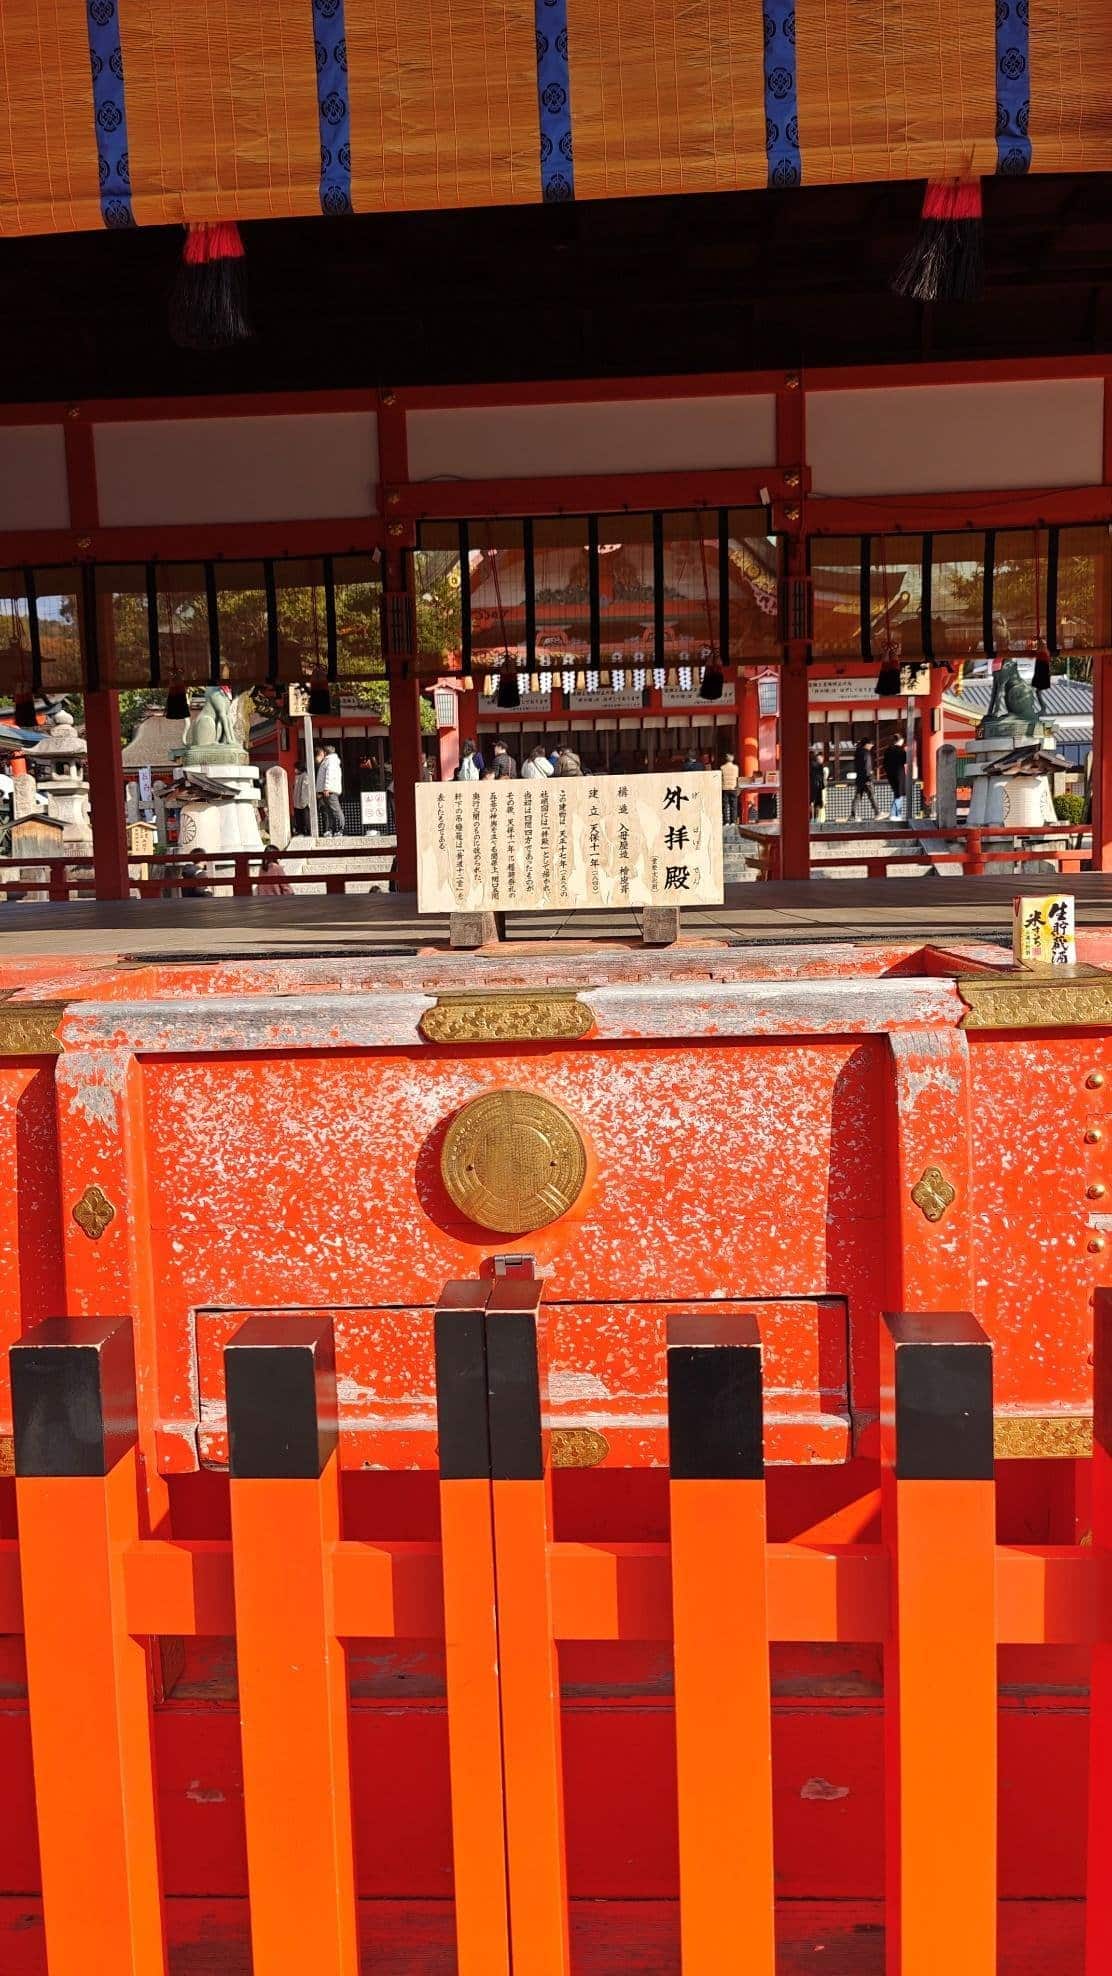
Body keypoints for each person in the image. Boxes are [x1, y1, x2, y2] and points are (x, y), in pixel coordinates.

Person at [315, 745, 345, 836]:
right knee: (329, 811)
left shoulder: (330, 761)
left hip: (330, 790)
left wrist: (327, 788)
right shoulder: (329, 761)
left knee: (335, 810)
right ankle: (331, 830)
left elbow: (329, 775)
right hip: (327, 790)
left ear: (325, 752)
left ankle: (340, 830)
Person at [883, 733, 908, 823]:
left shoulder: (887, 750)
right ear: (900, 740)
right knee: (899, 794)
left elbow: (884, 764)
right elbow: (905, 760)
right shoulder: (900, 750)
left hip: (891, 775)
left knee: (897, 793)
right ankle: (895, 814)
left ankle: (896, 814)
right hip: (899, 774)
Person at [851, 737, 879, 819]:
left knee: (857, 797)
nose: (871, 746)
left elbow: (857, 767)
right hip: (866, 778)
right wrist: (869, 777)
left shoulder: (857, 752)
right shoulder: (866, 753)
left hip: (859, 778)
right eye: (871, 745)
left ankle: (853, 815)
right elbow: (867, 766)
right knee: (872, 795)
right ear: (867, 744)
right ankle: (877, 813)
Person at [719, 749, 740, 827]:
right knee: (733, 805)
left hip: (725, 788)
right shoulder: (736, 768)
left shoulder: (722, 767)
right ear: (732, 759)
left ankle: (726, 821)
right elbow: (737, 778)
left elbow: (721, 778)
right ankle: (733, 821)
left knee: (725, 805)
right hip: (733, 788)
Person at [292, 761, 311, 837]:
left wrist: (304, 801)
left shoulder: (305, 776)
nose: (295, 770)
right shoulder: (297, 776)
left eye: (296, 768)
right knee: (298, 817)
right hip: (297, 801)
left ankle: (306, 831)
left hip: (303, 802)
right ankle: (300, 831)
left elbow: (305, 790)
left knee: (304, 818)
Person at [809, 744, 827, 823]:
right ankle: (815, 818)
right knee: (816, 802)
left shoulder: (809, 765)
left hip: (811, 786)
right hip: (817, 785)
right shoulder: (819, 765)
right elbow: (821, 777)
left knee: (810, 802)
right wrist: (823, 786)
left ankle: (810, 818)